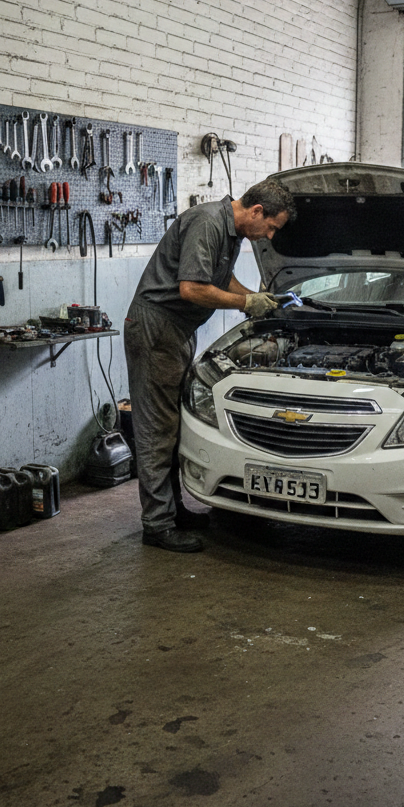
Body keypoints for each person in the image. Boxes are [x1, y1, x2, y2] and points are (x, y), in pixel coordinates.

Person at [123, 180, 296, 552]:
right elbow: (192, 288)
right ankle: (157, 526)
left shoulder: (231, 232)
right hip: (157, 329)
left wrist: (257, 296)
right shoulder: (207, 222)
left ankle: (172, 511)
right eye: (271, 226)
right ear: (256, 211)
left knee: (172, 425)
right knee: (157, 430)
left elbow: (221, 279)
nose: (269, 235)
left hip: (177, 329)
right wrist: (245, 305)